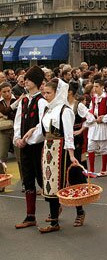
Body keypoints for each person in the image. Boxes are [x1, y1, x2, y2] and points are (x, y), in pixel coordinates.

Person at [24, 78, 83, 233]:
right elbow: (42, 127)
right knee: (51, 184)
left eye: (49, 93)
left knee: (70, 182)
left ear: (58, 93)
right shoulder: (49, 109)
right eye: (44, 93)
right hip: (49, 149)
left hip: (62, 150)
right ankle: (55, 220)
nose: (46, 96)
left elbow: (69, 134)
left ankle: (80, 212)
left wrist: (71, 155)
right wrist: (31, 132)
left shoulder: (65, 111)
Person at [13, 66, 47, 229]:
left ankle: (54, 209)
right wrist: (18, 138)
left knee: (42, 178)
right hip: (24, 146)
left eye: (28, 79)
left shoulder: (41, 101)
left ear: (36, 81)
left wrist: (30, 140)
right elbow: (18, 122)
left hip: (37, 146)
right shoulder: (24, 100)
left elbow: (42, 125)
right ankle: (30, 216)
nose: (25, 81)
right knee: (28, 180)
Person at [87, 78, 107, 177]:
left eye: (97, 86)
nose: (95, 88)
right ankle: (92, 170)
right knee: (90, 147)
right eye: (94, 86)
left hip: (102, 127)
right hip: (94, 126)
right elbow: (90, 109)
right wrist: (91, 116)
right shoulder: (93, 98)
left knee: (103, 148)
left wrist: (103, 118)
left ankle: (103, 170)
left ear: (102, 87)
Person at [0, 82, 23, 192]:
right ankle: (1, 183)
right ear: (1, 92)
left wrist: (6, 115)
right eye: (4, 92)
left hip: (16, 130)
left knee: (20, 157)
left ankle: (25, 182)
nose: (7, 93)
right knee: (1, 156)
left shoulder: (17, 98)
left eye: (8, 91)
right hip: (3, 130)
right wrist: (10, 110)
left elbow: (17, 114)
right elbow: (4, 110)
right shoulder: (2, 101)